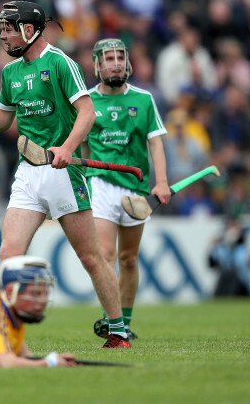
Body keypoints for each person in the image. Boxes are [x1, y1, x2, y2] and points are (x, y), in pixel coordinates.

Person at [0, 1, 130, 348]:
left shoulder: (60, 63)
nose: (2, 35)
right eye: (0, 29)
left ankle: (118, 330)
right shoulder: (10, 72)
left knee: (91, 257)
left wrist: (66, 147)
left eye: (8, 28)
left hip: (64, 173)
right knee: (8, 255)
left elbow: (87, 112)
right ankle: (5, 334)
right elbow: (4, 121)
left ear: (29, 30)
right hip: (28, 173)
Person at [82, 38, 171, 340]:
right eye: (108, 58)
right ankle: (113, 320)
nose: (115, 63)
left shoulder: (144, 99)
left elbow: (155, 141)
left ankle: (126, 322)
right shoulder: (87, 101)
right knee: (105, 253)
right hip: (101, 183)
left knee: (129, 259)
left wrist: (160, 182)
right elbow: (80, 143)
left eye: (119, 57)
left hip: (135, 189)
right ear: (97, 65)